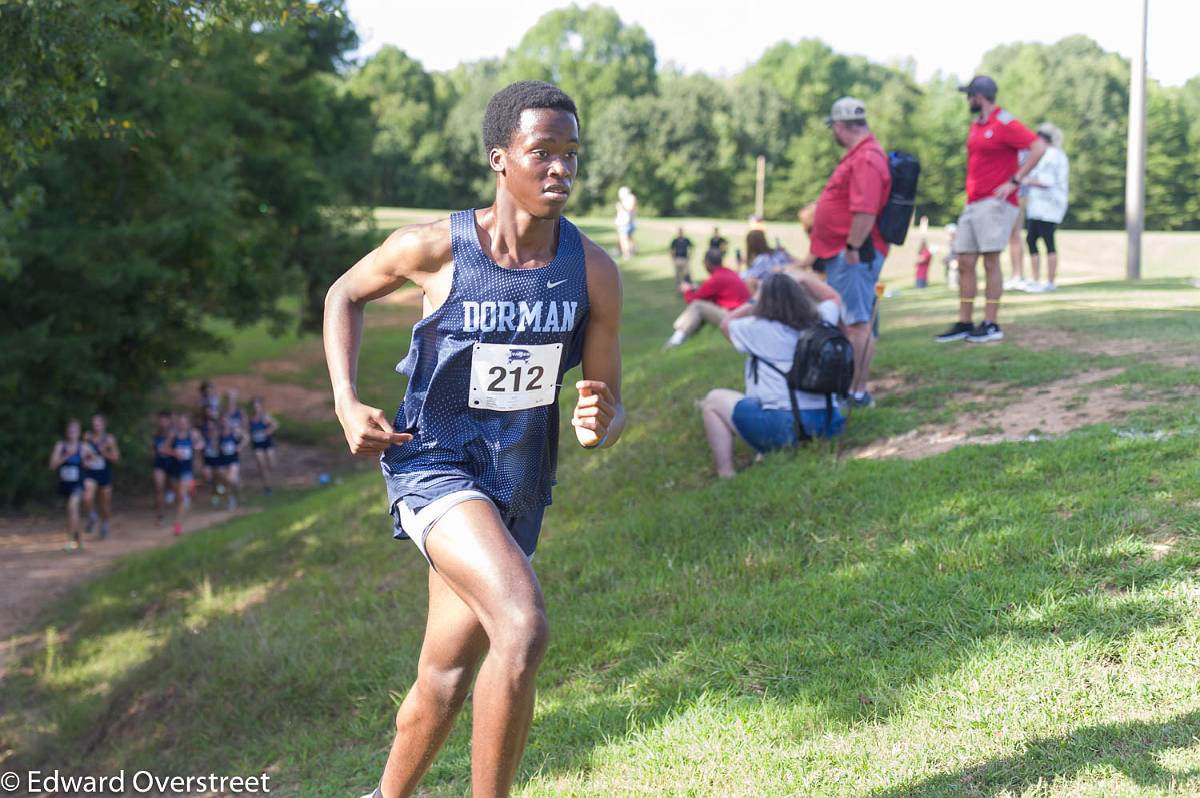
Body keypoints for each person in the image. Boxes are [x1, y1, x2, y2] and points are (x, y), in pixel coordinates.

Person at [323, 80, 624, 798]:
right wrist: (344, 401)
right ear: (500, 159)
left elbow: (607, 404)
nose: (561, 170)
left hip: (519, 486)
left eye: (572, 155)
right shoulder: (436, 248)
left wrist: (600, 422)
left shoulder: (591, 271)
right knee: (522, 626)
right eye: (542, 153)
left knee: (445, 674)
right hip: (434, 466)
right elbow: (344, 294)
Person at [701, 273, 846, 478]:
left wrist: (753, 301)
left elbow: (725, 324)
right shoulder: (822, 320)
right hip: (831, 421)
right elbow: (834, 298)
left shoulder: (756, 328)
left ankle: (726, 473)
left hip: (787, 426)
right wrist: (804, 279)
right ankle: (769, 452)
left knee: (713, 400)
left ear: (764, 300)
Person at [936, 76, 1045, 344]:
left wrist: (1015, 181)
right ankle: (964, 321)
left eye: (969, 95)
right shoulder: (977, 125)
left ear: (978, 96)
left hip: (995, 203)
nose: (967, 100)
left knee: (990, 260)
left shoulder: (1004, 122)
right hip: (973, 203)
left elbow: (1038, 147)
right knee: (964, 262)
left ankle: (991, 322)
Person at [808, 97, 891, 408]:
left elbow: (865, 210)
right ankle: (849, 389)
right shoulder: (861, 155)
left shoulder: (867, 158)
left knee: (857, 324)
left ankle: (855, 394)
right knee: (852, 321)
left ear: (840, 126)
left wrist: (853, 248)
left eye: (834, 128)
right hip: (846, 253)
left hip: (854, 255)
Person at [663, 247, 750, 349]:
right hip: (742, 315)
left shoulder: (716, 278)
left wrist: (686, 290)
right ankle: (683, 337)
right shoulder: (728, 272)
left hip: (734, 318)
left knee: (698, 307)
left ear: (707, 263)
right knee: (701, 307)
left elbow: (693, 300)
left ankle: (675, 341)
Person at [1023, 122, 1069, 292]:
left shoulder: (1052, 155)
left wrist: (1026, 180)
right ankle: (1036, 280)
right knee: (1032, 240)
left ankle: (1049, 281)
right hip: (1039, 206)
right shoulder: (1049, 154)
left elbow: (1047, 181)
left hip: (1048, 206)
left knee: (1048, 242)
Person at [49, 419, 86, 551]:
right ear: (66, 432)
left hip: (78, 484)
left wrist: (86, 461)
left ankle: (70, 540)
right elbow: (52, 465)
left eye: (74, 430)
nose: (72, 433)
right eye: (70, 430)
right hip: (65, 484)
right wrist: (65, 456)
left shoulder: (83, 447)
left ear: (79, 432)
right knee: (72, 511)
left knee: (72, 507)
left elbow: (91, 463)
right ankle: (79, 539)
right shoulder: (60, 446)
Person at [81, 413, 120, 540]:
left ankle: (104, 524)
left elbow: (116, 458)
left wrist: (103, 452)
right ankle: (92, 516)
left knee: (104, 505)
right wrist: (87, 458)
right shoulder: (87, 437)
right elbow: (84, 454)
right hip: (91, 472)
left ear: (104, 425)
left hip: (104, 473)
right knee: (87, 497)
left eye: (98, 424)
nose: (95, 426)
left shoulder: (109, 439)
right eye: (94, 424)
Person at [168, 412, 202, 537]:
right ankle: (186, 499)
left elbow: (200, 444)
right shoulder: (173, 436)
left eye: (184, 423)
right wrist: (174, 453)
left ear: (188, 424)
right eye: (180, 423)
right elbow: (163, 449)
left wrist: (198, 446)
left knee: (181, 497)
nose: (182, 425)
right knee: (178, 498)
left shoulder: (192, 435)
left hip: (187, 471)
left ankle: (178, 525)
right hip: (175, 470)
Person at [741, 229, 790, 294]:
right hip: (786, 286)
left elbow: (747, 276)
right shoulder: (778, 253)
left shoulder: (761, 259)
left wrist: (738, 266)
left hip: (771, 290)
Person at [248, 397, 279, 495]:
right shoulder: (251, 419)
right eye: (254, 407)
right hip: (257, 445)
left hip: (267, 443)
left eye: (258, 406)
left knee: (272, 464)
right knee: (262, 465)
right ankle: (267, 486)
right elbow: (248, 430)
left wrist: (266, 432)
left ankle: (271, 482)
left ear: (261, 407)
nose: (256, 408)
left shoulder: (265, 417)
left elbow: (275, 425)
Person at [151, 410, 175, 525]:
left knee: (174, 489)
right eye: (160, 420)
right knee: (158, 488)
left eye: (165, 420)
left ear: (169, 421)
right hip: (159, 464)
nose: (162, 422)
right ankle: (160, 516)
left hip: (173, 465)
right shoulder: (156, 434)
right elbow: (155, 450)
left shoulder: (174, 435)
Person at [217, 414, 245, 511]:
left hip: (233, 460)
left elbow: (246, 437)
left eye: (226, 421)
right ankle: (231, 498)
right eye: (223, 421)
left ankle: (231, 499)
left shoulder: (235, 431)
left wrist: (240, 446)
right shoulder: (219, 433)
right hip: (223, 461)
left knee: (230, 479)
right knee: (227, 482)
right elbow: (215, 445)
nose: (225, 423)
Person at [614, 185, 637, 259]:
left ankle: (626, 254)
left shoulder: (628, 199)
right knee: (629, 238)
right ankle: (631, 252)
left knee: (624, 240)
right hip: (630, 223)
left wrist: (621, 207)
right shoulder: (632, 198)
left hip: (625, 223)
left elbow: (628, 210)